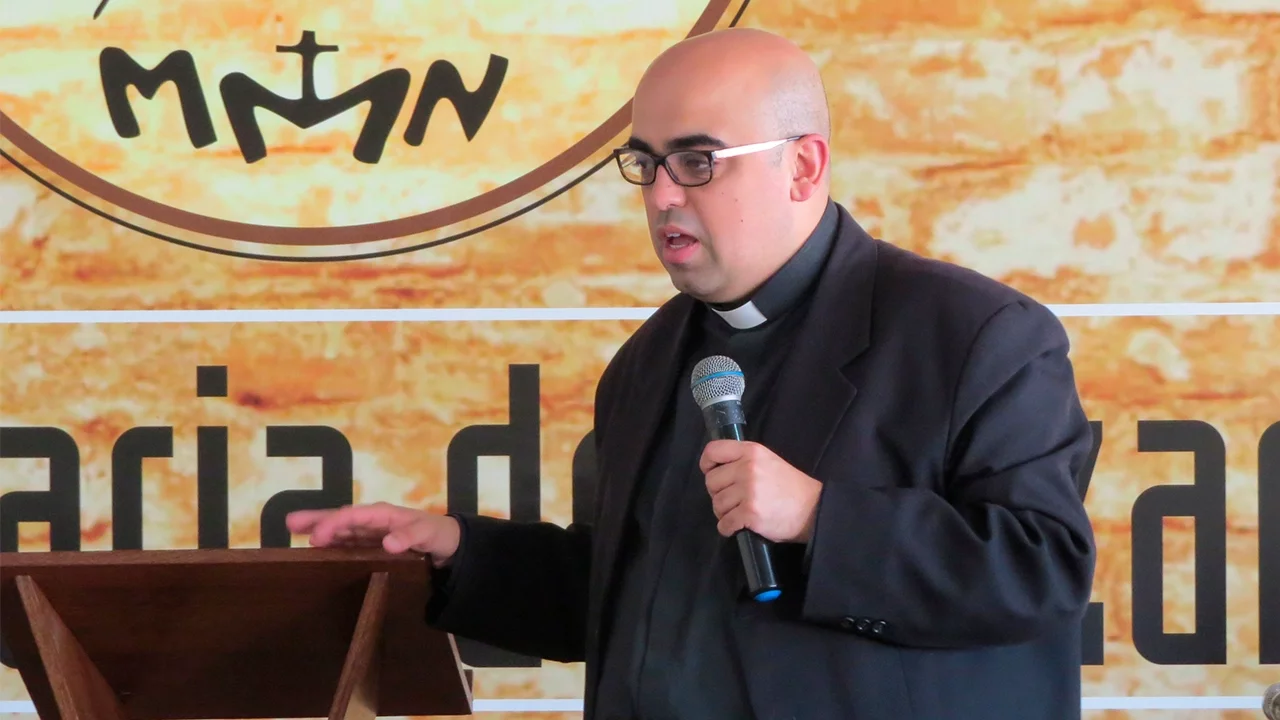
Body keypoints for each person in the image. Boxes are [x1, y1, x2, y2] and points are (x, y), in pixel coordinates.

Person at [287, 27, 1097, 719]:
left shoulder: (976, 335)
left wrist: (820, 517)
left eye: (698, 161)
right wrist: (461, 552)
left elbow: (1041, 573)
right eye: (646, 164)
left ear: (803, 167)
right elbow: (630, 593)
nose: (663, 195)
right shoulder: (647, 362)